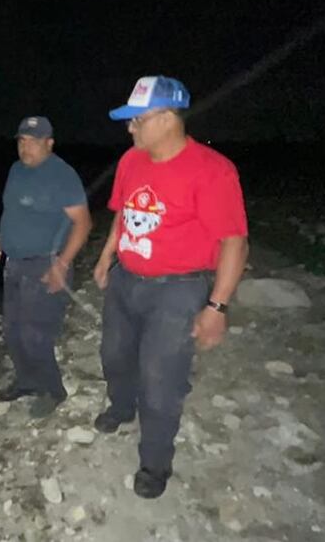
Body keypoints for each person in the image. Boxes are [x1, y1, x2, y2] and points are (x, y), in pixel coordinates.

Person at [92, 76, 249, 499]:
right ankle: (122, 408)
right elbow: (122, 214)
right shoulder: (131, 161)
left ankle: (154, 462)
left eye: (137, 120)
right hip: (127, 278)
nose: (130, 128)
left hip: (178, 289)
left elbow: (234, 240)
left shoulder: (212, 170)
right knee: (115, 354)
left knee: (161, 378)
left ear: (166, 119)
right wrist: (107, 255)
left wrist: (217, 307)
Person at [0, 116, 92, 418]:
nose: (26, 147)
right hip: (15, 263)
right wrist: (0, 237)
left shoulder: (62, 175)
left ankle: (53, 390)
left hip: (46, 263)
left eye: (34, 142)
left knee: (36, 334)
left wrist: (62, 265)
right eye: (22, 140)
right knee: (12, 330)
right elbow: (11, 209)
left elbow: (84, 223)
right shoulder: (15, 170)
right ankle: (27, 381)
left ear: (49, 143)